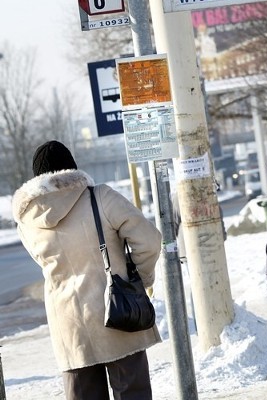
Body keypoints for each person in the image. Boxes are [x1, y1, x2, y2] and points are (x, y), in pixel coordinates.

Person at [12, 140, 162, 400]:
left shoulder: (26, 220)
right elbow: (149, 240)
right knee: (133, 393)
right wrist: (140, 278)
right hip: (117, 312)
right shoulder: (100, 196)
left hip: (69, 326)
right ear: (72, 168)